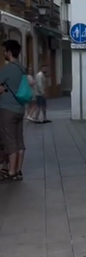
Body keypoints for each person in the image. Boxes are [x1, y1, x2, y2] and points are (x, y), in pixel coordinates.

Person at [0, 39, 27, 181]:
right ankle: (18, 170)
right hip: (20, 108)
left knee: (10, 140)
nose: (4, 53)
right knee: (19, 140)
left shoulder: (8, 68)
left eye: (4, 51)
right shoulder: (22, 68)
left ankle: (11, 172)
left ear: (9, 52)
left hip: (8, 109)